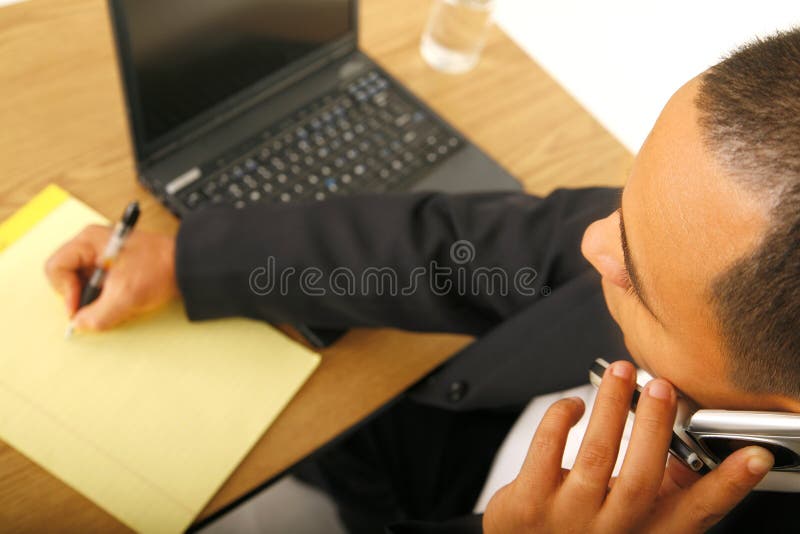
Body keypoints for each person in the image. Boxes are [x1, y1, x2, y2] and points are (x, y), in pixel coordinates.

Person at [44, 29, 799, 532]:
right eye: (621, 204)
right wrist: (191, 260)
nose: (595, 239)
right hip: (437, 427)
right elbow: (456, 246)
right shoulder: (694, 236)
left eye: (635, 277)